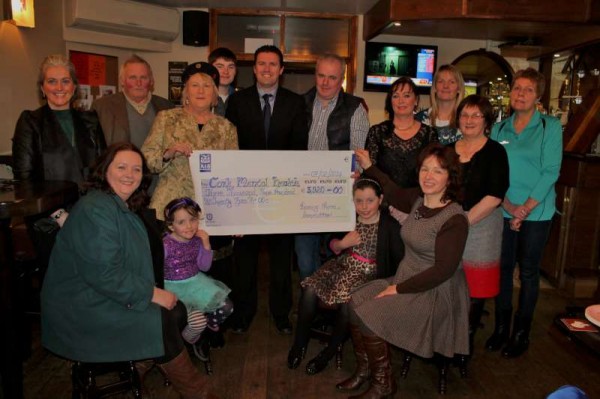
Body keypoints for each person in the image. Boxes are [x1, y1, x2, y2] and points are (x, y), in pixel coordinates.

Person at [41, 142, 218, 399]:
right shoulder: (96, 209)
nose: (129, 174)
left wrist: (153, 292)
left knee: (176, 311)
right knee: (164, 318)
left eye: (136, 169)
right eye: (121, 167)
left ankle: (138, 371)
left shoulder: (115, 206)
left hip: (99, 294)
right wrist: (152, 294)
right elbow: (104, 273)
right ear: (104, 170)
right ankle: (198, 393)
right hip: (81, 307)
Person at [346, 143, 469, 397]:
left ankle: (383, 385)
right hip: (407, 277)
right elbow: (391, 190)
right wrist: (369, 166)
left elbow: (442, 271)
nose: (429, 176)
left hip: (435, 290)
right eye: (425, 169)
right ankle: (366, 370)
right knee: (354, 302)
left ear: (450, 177)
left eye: (437, 171)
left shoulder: (454, 218)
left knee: (371, 316)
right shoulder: (418, 199)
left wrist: (397, 288)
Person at [142, 61, 238, 347]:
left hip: (209, 211)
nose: (200, 90)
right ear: (185, 91)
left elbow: (234, 173)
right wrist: (169, 152)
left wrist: (237, 216)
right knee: (168, 273)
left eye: (207, 85)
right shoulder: (166, 118)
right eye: (194, 85)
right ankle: (169, 338)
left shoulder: (226, 127)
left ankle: (203, 334)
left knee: (206, 272)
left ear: (214, 94)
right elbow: (147, 158)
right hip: (169, 211)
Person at [225, 45, 308, 334]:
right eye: (262, 64)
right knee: (244, 259)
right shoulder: (237, 102)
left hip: (281, 195)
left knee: (281, 261)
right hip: (246, 194)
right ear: (254, 68)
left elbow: (299, 149)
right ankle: (243, 314)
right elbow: (230, 149)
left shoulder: (296, 103)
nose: (267, 69)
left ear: (281, 70)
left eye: (273, 64)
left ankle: (281, 314)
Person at [287, 178, 404, 375]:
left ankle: (328, 352)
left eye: (370, 200)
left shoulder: (390, 225)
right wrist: (342, 244)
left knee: (348, 303)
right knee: (309, 290)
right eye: (359, 201)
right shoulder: (348, 218)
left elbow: (400, 260)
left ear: (380, 199)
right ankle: (299, 344)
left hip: (368, 276)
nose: (364, 207)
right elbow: (329, 246)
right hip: (340, 267)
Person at [487, 68, 563, 358]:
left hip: (538, 212)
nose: (520, 94)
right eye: (516, 88)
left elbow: (551, 171)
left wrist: (525, 209)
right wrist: (509, 208)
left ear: (538, 95)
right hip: (504, 209)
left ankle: (521, 333)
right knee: (503, 271)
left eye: (527, 89)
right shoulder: (499, 129)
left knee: (528, 273)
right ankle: (500, 328)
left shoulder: (550, 126)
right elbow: (495, 172)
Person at [11, 54, 106, 261]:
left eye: (65, 81)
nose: (59, 87)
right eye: (52, 81)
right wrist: (59, 214)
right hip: (49, 218)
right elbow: (25, 179)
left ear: (74, 87)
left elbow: (103, 169)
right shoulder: (30, 122)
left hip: (90, 213)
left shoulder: (90, 120)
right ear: (43, 88)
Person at [295, 53, 370, 280]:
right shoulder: (299, 104)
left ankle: (325, 312)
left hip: (337, 197)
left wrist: (355, 173)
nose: (325, 82)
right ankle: (310, 307)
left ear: (342, 79)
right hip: (302, 196)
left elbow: (359, 154)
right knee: (305, 262)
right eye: (321, 76)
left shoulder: (355, 108)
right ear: (315, 75)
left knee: (332, 261)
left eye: (332, 77)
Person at [451, 95, 509, 357]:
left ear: (486, 121)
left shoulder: (496, 151)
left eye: (476, 115)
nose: (469, 120)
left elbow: (496, 194)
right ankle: (447, 338)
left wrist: (464, 221)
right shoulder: (449, 150)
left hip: (483, 227)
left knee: (475, 288)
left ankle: (465, 343)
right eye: (465, 115)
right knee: (450, 282)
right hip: (451, 225)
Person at [162, 197, 233, 360]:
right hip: (174, 288)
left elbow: (205, 267)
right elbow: (154, 269)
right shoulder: (165, 245)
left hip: (196, 283)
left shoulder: (197, 241)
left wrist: (206, 243)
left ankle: (205, 329)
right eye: (181, 222)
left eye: (193, 220)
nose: (189, 226)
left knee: (227, 307)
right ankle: (188, 342)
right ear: (171, 225)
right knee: (197, 322)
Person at [365, 76, 438, 191]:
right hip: (382, 202)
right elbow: (369, 174)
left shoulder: (429, 134)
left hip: (417, 203)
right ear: (390, 101)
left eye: (406, 95)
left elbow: (434, 174)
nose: (401, 101)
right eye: (395, 96)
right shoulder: (377, 132)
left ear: (416, 100)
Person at [92, 54, 174, 147]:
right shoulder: (102, 107)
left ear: (151, 81)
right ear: (122, 81)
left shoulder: (167, 108)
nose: (138, 83)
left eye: (143, 77)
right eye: (132, 78)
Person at [416, 64, 465, 145]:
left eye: (451, 82)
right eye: (441, 81)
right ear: (434, 87)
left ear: (459, 88)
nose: (445, 86)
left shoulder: (467, 120)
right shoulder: (419, 119)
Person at [208, 47, 237, 116]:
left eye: (230, 67)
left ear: (236, 71)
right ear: (210, 69)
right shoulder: (200, 98)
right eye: (220, 66)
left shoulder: (242, 101)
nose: (226, 71)